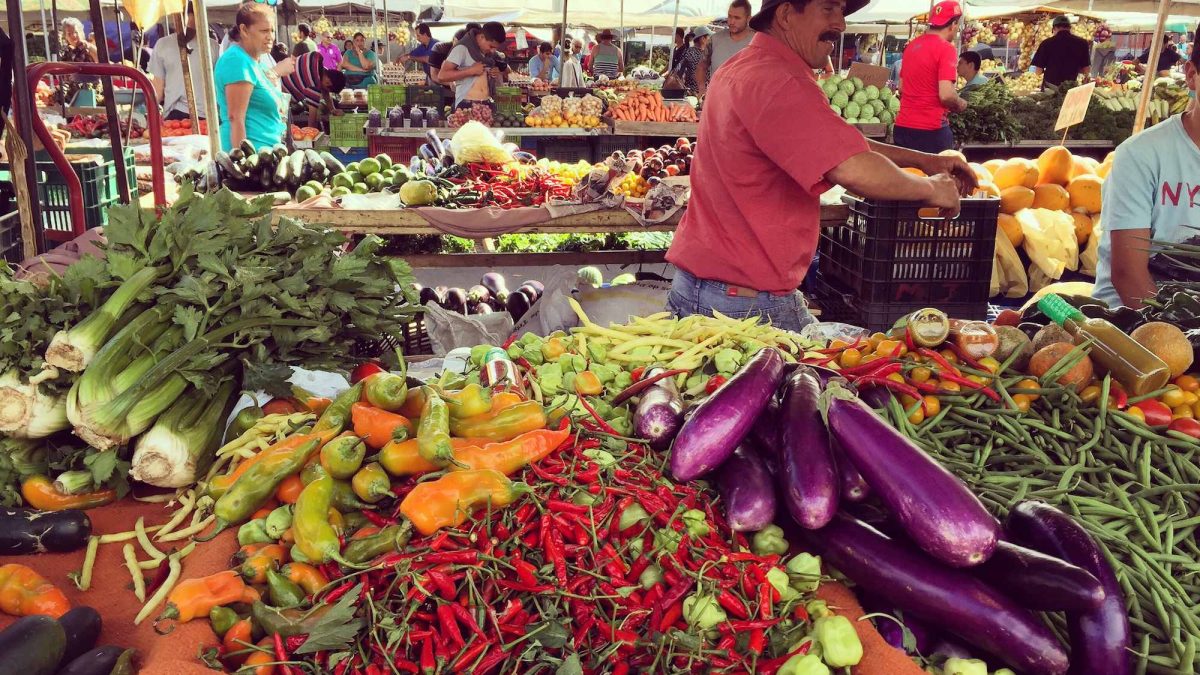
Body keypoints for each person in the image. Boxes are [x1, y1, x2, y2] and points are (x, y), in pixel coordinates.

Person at [665, 0, 974, 332]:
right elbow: (852, 169)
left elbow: (837, 142)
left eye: (842, 12)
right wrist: (932, 189)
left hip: (704, 289)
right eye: (828, 9)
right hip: (743, 306)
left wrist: (924, 160)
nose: (840, 24)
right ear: (785, 15)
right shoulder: (779, 80)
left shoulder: (743, 66)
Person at [1094, 29, 1200, 309]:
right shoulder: (1140, 155)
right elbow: (1129, 277)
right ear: (1191, 75)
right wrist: (1181, 339)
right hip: (1138, 323)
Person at [893, 1, 967, 154]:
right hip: (931, 131)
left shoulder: (912, 46)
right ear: (953, 24)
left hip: (902, 128)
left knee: (907, 176)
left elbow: (902, 87)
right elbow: (946, 95)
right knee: (936, 178)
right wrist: (960, 103)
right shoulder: (946, 49)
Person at [214, 2, 286, 151]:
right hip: (252, 157)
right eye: (264, 31)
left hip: (266, 153)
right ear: (244, 30)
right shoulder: (237, 60)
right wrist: (242, 164)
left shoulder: (257, 62)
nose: (270, 37)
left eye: (272, 31)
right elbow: (236, 118)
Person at [149, 5, 219, 120]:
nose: (187, 29)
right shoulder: (163, 44)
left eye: (191, 26)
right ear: (176, 20)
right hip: (174, 112)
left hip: (206, 115)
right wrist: (152, 116)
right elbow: (158, 86)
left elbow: (218, 83)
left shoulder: (212, 46)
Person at [696, 0, 755, 98]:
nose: (731, 21)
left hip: (746, 102)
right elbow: (701, 67)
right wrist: (702, 89)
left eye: (737, 18)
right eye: (730, 16)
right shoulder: (715, 39)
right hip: (717, 100)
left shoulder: (758, 41)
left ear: (748, 18)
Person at [440, 22, 506, 109]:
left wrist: (492, 73)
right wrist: (470, 71)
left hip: (486, 103)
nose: (493, 51)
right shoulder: (461, 48)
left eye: (495, 48)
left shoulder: (486, 53)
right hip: (466, 104)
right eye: (491, 46)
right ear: (482, 37)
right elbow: (442, 76)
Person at [282, 50, 347, 128]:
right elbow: (312, 118)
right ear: (328, 82)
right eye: (329, 89)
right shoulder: (314, 85)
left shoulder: (315, 57)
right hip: (281, 96)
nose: (326, 91)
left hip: (278, 75)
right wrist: (313, 136)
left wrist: (332, 109)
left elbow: (325, 90)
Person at [1031, 15, 1090, 88]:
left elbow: (1038, 71)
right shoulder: (1082, 43)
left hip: (1050, 88)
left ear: (1054, 28)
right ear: (1070, 28)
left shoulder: (1046, 43)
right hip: (1070, 87)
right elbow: (1086, 70)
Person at [672, 26, 710, 95]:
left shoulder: (690, 51)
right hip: (695, 92)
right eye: (708, 37)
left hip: (696, 92)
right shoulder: (694, 53)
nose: (710, 40)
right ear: (703, 39)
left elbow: (678, 70)